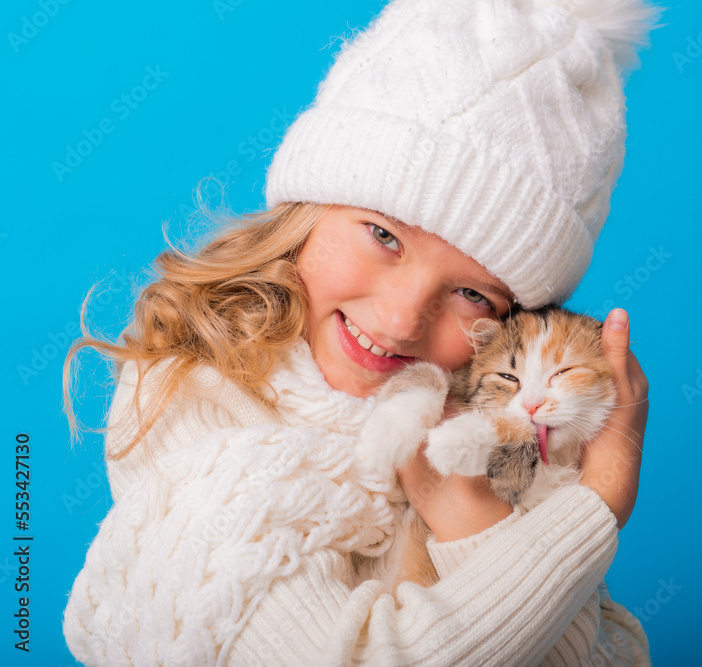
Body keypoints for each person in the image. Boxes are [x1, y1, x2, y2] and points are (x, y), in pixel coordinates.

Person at [62, 0, 661, 664]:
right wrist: (594, 503)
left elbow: (573, 654)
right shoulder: (196, 398)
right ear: (308, 208)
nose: (403, 318)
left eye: (471, 292)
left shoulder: (490, 426)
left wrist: (468, 513)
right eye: (383, 235)